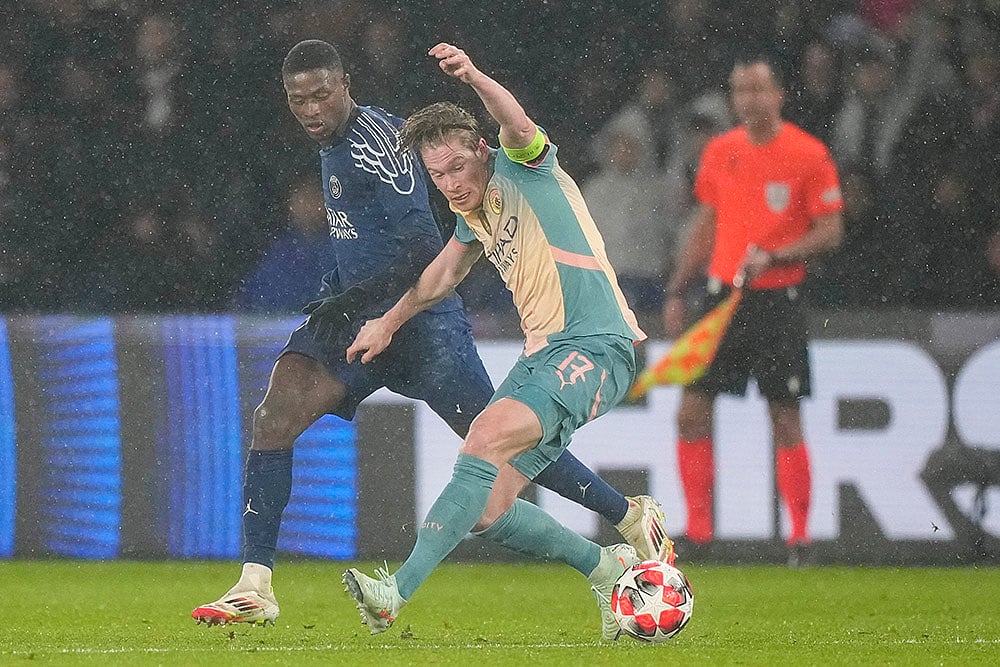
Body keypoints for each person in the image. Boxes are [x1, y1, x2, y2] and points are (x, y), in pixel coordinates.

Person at [191, 39, 669, 627]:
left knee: (493, 441)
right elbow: (431, 259)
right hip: (368, 317)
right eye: (298, 100)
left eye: (321, 95)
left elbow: (428, 234)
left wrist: (473, 75)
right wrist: (374, 314)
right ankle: (255, 584)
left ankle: (620, 517)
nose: (311, 109)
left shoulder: (400, 151)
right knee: (278, 415)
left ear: (345, 86)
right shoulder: (461, 207)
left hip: (453, 332)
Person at [342, 43, 654, 640]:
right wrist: (388, 321)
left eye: (457, 167)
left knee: (481, 438)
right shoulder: (474, 214)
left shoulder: (523, 164)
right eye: (437, 175)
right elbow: (442, 275)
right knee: (488, 511)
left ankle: (395, 592)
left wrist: (474, 75)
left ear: (480, 150)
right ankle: (609, 567)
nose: (450, 183)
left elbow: (513, 118)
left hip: (596, 345)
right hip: (544, 355)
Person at [662, 56, 843, 565]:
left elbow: (831, 230)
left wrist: (777, 253)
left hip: (777, 297)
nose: (749, 100)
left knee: (784, 417)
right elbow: (707, 222)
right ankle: (698, 534)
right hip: (722, 298)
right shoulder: (721, 151)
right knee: (690, 412)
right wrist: (678, 288)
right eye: (740, 90)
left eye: (758, 89)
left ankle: (800, 538)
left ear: (779, 93)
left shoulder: (808, 154)